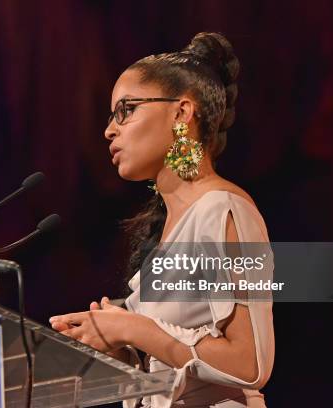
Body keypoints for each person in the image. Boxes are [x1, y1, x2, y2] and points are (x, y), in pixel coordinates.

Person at [49, 32, 275, 407]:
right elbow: (171, 363)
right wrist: (118, 345)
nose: (109, 129)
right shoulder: (168, 228)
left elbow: (251, 364)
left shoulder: (224, 209)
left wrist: (134, 328)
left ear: (182, 113)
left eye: (126, 110)